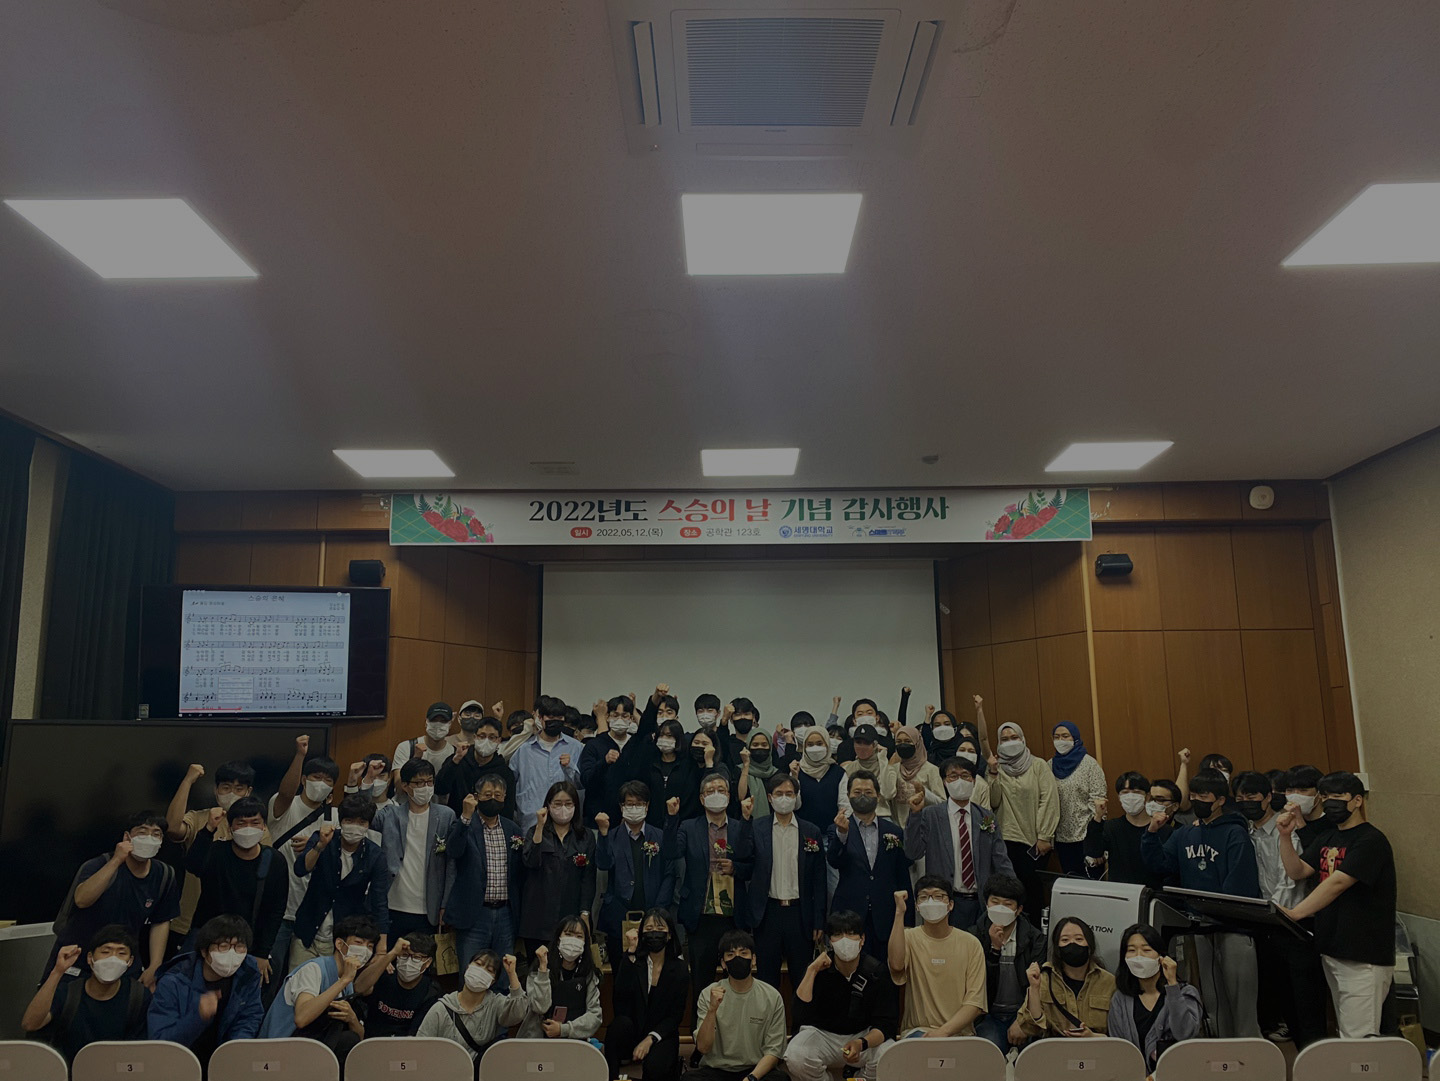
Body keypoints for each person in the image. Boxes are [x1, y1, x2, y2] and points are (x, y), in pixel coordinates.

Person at [1142, 768, 1261, 1038]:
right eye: (1193, 795)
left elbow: (1240, 884)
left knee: (1242, 1006)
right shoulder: (1185, 834)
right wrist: (1151, 833)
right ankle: (1222, 1054)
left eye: (1203, 796)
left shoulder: (1235, 833)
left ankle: (1251, 1056)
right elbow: (1159, 864)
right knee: (1213, 1002)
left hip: (1233, 929)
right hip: (1199, 928)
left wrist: (1213, 909)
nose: (1196, 800)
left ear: (1220, 800)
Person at [1279, 771, 1397, 1039]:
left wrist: (1296, 913)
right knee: (1346, 1031)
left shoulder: (1371, 840)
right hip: (1332, 948)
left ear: (1357, 800)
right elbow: (1297, 871)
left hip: (1363, 954)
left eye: (1338, 796)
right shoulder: (1327, 838)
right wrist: (1285, 837)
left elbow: (1338, 882)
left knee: (1359, 1037)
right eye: (1325, 796)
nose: (1330, 801)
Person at [1232, 770, 1325, 1048]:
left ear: (1268, 797)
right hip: (1267, 923)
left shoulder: (1287, 826)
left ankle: (1316, 1054)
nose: (1246, 803)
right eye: (1240, 798)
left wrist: (1275, 912)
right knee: (1283, 995)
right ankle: (1301, 1053)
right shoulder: (1247, 832)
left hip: (1295, 921)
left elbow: (1291, 880)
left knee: (1306, 1000)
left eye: (1251, 797)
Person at [49, 810, 180, 987]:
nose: (149, 839)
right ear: (127, 837)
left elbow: (161, 921)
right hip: (78, 959)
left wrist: (155, 964)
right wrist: (116, 860)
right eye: (142, 832)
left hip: (124, 960)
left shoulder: (164, 874)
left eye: (156, 834)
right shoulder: (98, 864)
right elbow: (81, 900)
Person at [165, 759, 273, 945]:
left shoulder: (256, 828)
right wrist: (187, 781)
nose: (232, 794)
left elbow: (263, 877)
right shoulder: (200, 818)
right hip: (191, 922)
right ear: (216, 790)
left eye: (239, 789)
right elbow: (172, 828)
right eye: (226, 787)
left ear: (248, 792)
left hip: (237, 926)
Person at [736, 771, 827, 991]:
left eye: (789, 793)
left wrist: (818, 920)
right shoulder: (757, 827)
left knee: (802, 978)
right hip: (768, 913)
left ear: (796, 797)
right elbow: (741, 855)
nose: (784, 798)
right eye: (779, 793)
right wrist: (745, 820)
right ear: (770, 798)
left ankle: (802, 1016)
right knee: (767, 979)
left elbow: (819, 880)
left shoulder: (811, 831)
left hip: (800, 914)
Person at [184, 796, 287, 983]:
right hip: (207, 937)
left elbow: (275, 910)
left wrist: (263, 953)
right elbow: (193, 866)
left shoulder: (274, 860)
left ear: (264, 826)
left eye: (255, 823)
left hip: (247, 944)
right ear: (230, 827)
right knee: (188, 984)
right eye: (241, 823)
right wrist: (208, 829)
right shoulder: (216, 851)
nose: (248, 828)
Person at [902, 756, 1013, 928]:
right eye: (953, 776)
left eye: (965, 775)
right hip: (944, 902)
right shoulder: (931, 815)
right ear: (944, 782)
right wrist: (915, 815)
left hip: (981, 902)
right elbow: (912, 852)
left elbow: (1000, 859)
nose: (959, 780)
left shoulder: (986, 817)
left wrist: (1012, 894)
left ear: (974, 781)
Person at [664, 770, 750, 991]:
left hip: (733, 917)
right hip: (700, 915)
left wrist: (735, 868)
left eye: (721, 790)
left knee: (736, 981)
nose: (716, 794)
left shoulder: (740, 826)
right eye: (710, 791)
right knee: (701, 983)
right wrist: (672, 817)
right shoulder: (688, 827)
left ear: (729, 796)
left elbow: (752, 864)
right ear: (702, 799)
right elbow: (671, 852)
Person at [787, 910, 897, 1081]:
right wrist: (812, 970)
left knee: (889, 1055)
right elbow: (799, 1014)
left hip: (862, 1037)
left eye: (851, 934)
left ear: (862, 939)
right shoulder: (819, 969)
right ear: (830, 941)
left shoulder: (876, 971)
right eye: (838, 935)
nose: (845, 940)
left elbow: (886, 1025)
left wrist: (861, 1043)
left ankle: (859, 1078)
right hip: (824, 1036)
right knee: (795, 1055)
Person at [266, 744, 340, 993]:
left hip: (312, 916)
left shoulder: (334, 816)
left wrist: (314, 845)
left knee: (304, 983)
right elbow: (286, 793)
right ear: (304, 780)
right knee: (270, 976)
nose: (321, 784)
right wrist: (299, 754)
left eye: (328, 780)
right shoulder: (285, 805)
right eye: (316, 777)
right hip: (279, 912)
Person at [148, 915, 264, 1067]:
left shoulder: (248, 971)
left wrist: (234, 1050)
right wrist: (198, 1016)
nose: (232, 953)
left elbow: (250, 1015)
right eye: (223, 946)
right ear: (204, 951)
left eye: (239, 946)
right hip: (179, 1064)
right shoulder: (173, 982)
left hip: (225, 1063)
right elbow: (162, 1042)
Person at [259, 914, 381, 1059]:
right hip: (280, 1049)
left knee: (349, 1040)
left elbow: (359, 1039)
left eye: (370, 946)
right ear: (339, 944)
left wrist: (352, 1018)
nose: (365, 951)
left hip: (311, 1049)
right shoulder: (313, 969)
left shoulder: (347, 982)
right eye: (359, 943)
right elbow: (301, 1018)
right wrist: (343, 980)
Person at [23, 925, 149, 1061]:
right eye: (105, 952)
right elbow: (30, 1024)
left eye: (121, 953)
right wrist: (58, 971)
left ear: (130, 961)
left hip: (116, 1069)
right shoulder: (68, 993)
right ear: (90, 958)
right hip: (69, 1069)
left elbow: (142, 1051)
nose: (113, 959)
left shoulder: (138, 996)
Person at [293, 795, 392, 967]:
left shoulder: (375, 855)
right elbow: (301, 869)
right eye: (349, 820)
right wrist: (320, 846)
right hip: (307, 930)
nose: (355, 826)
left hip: (344, 939)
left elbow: (379, 902)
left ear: (368, 825)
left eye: (361, 822)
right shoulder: (323, 839)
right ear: (341, 821)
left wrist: (382, 950)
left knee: (335, 983)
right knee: (298, 980)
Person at [886, 875, 986, 1036]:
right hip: (918, 1031)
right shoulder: (909, 937)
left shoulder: (971, 943)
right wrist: (899, 913)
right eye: (924, 897)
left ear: (951, 904)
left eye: (938, 896)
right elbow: (896, 965)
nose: (931, 901)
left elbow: (975, 1003)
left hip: (960, 1034)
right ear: (917, 906)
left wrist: (943, 1032)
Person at [828, 770, 911, 959]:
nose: (862, 796)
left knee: (885, 970)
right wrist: (842, 834)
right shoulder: (837, 828)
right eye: (857, 792)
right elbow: (834, 861)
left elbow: (902, 875)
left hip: (886, 914)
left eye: (868, 792)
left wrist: (908, 919)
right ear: (848, 795)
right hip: (850, 915)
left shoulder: (894, 831)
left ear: (878, 796)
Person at [375, 758, 456, 939]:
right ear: (405, 786)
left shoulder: (446, 816)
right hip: (393, 903)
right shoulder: (391, 814)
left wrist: (446, 904)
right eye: (419, 783)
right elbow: (361, 814)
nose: (425, 787)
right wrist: (366, 781)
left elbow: (451, 865)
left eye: (429, 782)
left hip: (429, 908)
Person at [691, 930, 788, 1081]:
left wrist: (751, 1078)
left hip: (755, 1070)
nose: (737, 958)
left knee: (780, 1079)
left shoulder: (772, 996)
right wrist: (712, 1010)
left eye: (743, 953)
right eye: (730, 955)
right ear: (723, 963)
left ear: (753, 959)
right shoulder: (709, 993)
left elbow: (774, 1052)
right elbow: (703, 1047)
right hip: (717, 1070)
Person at [986, 723, 1059, 923]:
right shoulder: (996, 767)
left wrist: (1045, 835)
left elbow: (1049, 800)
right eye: (1004, 739)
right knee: (1007, 892)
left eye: (1014, 737)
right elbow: (993, 801)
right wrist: (993, 774)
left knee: (1032, 893)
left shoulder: (1038, 765)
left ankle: (1033, 934)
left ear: (1023, 738)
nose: (1010, 742)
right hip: (1005, 840)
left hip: (1033, 842)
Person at [605, 909, 688, 1081]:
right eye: (649, 929)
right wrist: (631, 952)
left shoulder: (679, 969)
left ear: (669, 935)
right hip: (633, 1028)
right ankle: (611, 1077)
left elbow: (675, 1016)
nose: (654, 933)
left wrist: (651, 1038)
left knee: (656, 1068)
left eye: (660, 928)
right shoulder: (634, 961)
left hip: (661, 1033)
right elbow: (619, 999)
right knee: (618, 1026)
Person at [1107, 924, 1204, 1071]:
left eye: (1146, 950)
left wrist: (1172, 984)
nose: (1138, 956)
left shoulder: (1185, 993)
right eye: (1131, 950)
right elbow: (1118, 1048)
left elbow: (1185, 1034)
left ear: (1161, 956)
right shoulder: (1120, 999)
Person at [518, 780, 597, 957]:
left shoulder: (585, 836)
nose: (563, 809)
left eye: (568, 804)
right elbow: (530, 862)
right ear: (548, 806)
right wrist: (539, 826)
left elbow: (588, 878)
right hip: (537, 919)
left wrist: (585, 912)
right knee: (538, 968)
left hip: (570, 919)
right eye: (557, 804)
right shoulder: (534, 831)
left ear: (576, 806)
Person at [968, 872, 1045, 1053]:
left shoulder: (1035, 939)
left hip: (1022, 1013)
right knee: (988, 1051)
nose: (1000, 908)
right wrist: (994, 950)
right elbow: (975, 985)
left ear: (1018, 909)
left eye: (1008, 904)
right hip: (988, 1015)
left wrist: (1023, 1020)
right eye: (995, 902)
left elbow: (1040, 985)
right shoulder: (973, 936)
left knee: (1033, 1054)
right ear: (986, 903)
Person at [595, 780, 675, 949]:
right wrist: (602, 834)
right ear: (621, 807)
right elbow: (603, 864)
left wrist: (659, 909)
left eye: (639, 804)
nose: (634, 808)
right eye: (630, 804)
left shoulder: (659, 836)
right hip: (619, 914)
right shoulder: (612, 836)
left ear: (647, 806)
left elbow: (669, 872)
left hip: (653, 915)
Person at [416, 950, 529, 1063]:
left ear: (492, 981)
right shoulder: (441, 1008)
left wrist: (511, 973)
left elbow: (518, 1013)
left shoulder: (495, 1004)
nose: (481, 971)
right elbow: (420, 1047)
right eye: (478, 964)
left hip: (480, 1070)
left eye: (489, 970)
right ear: (468, 968)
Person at [1019, 916, 1115, 1038]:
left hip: (1096, 1047)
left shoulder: (1109, 982)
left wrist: (1092, 1037)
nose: (1072, 944)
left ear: (1090, 945)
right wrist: (1034, 988)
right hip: (1056, 1046)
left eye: (1079, 939)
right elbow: (1030, 1028)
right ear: (1057, 948)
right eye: (1065, 940)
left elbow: (1117, 1033)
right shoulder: (1044, 979)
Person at [518, 916, 603, 1040]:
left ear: (585, 943)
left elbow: (595, 1016)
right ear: (558, 939)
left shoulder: (588, 973)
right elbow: (540, 1007)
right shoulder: (539, 968)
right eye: (568, 934)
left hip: (574, 1041)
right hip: (539, 1040)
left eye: (579, 936)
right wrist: (543, 970)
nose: (573, 940)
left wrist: (563, 1029)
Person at [510, 695, 585, 829]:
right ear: (540, 718)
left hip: (566, 823)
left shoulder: (576, 747)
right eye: (550, 717)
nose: (555, 721)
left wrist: (569, 767)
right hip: (531, 821)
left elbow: (582, 785)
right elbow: (511, 783)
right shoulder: (523, 750)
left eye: (559, 718)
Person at [1084, 771, 1168, 888]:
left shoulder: (1162, 828)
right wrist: (1098, 817)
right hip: (1120, 892)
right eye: (1125, 792)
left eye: (1136, 792)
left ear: (1147, 796)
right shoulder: (1111, 827)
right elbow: (1093, 851)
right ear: (1119, 797)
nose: (1130, 797)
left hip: (1152, 892)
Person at [355, 932, 441, 1038]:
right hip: (373, 1039)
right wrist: (392, 954)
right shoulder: (384, 974)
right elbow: (358, 988)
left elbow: (418, 1033)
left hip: (406, 1043)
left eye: (416, 957)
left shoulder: (431, 991)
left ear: (428, 962)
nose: (408, 962)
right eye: (404, 955)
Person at [1049, 722, 1107, 876]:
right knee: (1070, 882)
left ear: (1075, 738)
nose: (1060, 740)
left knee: (1091, 884)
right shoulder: (1049, 766)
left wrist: (1096, 839)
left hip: (1086, 836)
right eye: (1056, 737)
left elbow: (1098, 800)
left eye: (1065, 736)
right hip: (1062, 838)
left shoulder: (1090, 764)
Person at [437, 714, 517, 820]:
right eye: (482, 736)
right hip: (457, 822)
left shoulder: (504, 772)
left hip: (490, 826)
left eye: (492, 737)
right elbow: (440, 789)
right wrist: (455, 761)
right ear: (475, 737)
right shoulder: (459, 759)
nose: (486, 741)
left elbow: (508, 811)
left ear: (498, 741)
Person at [645, 716, 702, 825]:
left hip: (681, 822)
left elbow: (690, 797)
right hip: (653, 823)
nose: (664, 738)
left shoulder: (687, 765)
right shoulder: (650, 764)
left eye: (669, 735)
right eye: (661, 735)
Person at [392, 702, 459, 783]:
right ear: (426, 722)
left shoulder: (454, 753)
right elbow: (399, 786)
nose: (438, 725)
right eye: (434, 720)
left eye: (443, 721)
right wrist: (415, 760)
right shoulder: (406, 747)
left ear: (450, 724)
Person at [891, 724, 943, 828]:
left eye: (908, 741)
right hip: (897, 829)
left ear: (917, 743)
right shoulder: (893, 769)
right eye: (899, 742)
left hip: (925, 828)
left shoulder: (931, 770)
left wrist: (925, 793)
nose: (903, 745)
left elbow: (941, 803)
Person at [842, 724, 899, 817]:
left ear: (875, 745)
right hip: (855, 816)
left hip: (881, 816)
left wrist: (883, 760)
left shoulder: (888, 769)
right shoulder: (847, 769)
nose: (862, 747)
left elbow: (888, 794)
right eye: (858, 742)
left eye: (866, 743)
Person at [1284, 764, 1329, 849]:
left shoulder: (1331, 822)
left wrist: (1300, 822)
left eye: (1303, 790)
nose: (1295, 795)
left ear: (1319, 792)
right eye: (1290, 790)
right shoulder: (1287, 821)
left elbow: (1317, 852)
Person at [740, 728, 779, 818]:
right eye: (755, 745)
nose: (760, 747)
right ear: (748, 747)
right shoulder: (740, 769)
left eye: (764, 745)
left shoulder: (776, 774)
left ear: (770, 748)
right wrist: (746, 765)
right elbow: (741, 796)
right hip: (746, 820)